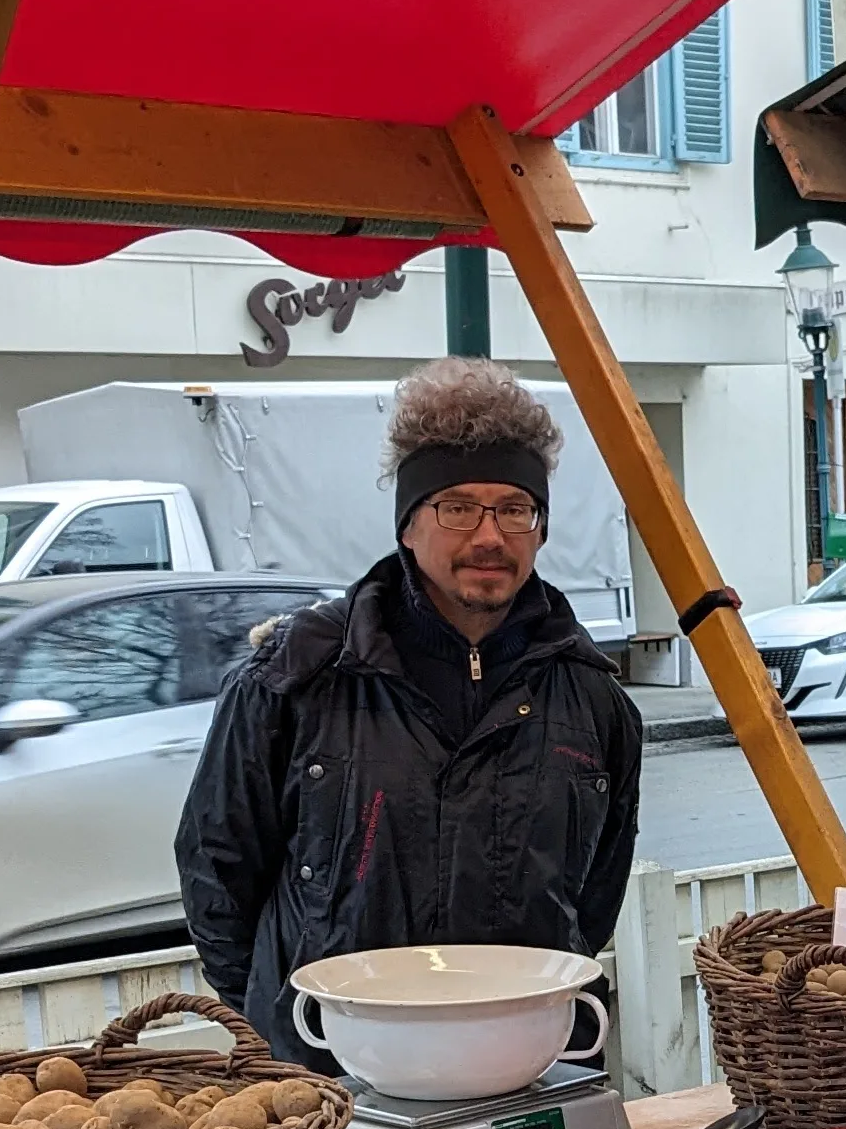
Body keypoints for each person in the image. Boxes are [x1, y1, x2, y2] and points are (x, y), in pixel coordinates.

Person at [179, 357, 643, 1070]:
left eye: (515, 509)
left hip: (526, 1070)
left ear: (541, 529)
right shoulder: (297, 678)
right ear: (408, 524)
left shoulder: (594, 702)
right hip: (327, 1076)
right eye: (457, 506)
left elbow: (595, 893)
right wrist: (281, 1018)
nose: (489, 536)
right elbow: (218, 868)